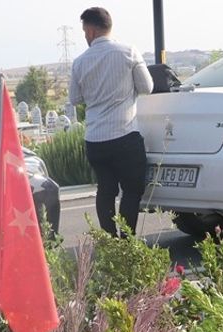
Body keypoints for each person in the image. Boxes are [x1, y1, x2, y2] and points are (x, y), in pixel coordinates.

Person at [69, 6, 152, 237]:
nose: (85, 36)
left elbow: (75, 99)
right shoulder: (129, 52)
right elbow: (147, 87)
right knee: (132, 190)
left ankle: (109, 239)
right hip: (125, 135)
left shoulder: (79, 62)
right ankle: (126, 242)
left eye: (85, 31)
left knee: (105, 190)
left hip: (94, 140)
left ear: (93, 30)